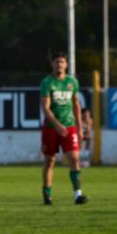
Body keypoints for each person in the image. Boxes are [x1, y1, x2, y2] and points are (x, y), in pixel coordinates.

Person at [39, 51, 89, 205]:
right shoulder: (47, 82)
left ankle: (78, 195)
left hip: (69, 126)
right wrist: (57, 125)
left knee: (74, 159)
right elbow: (45, 108)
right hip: (51, 128)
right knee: (50, 161)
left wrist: (80, 129)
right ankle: (47, 194)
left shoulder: (72, 82)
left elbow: (76, 105)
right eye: (56, 62)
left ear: (66, 65)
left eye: (62, 62)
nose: (59, 65)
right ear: (52, 65)